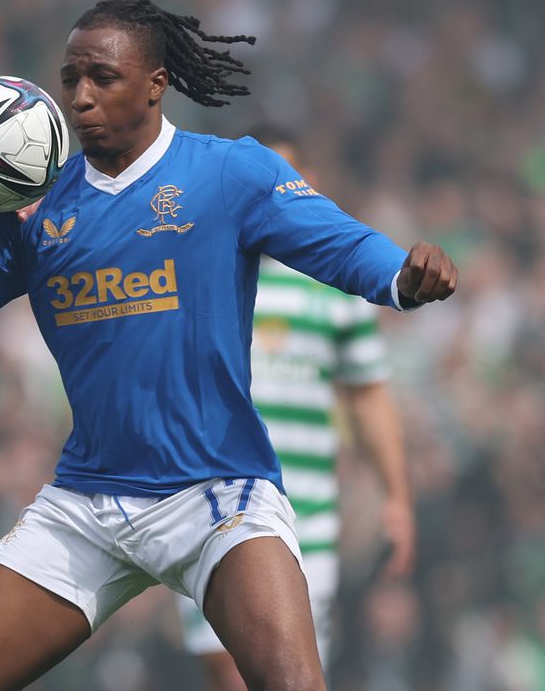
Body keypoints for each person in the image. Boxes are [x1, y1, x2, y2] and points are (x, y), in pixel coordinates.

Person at [0, 0, 457, 691]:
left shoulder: (230, 173)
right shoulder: (30, 204)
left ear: (156, 84)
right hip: (87, 503)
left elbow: (340, 244)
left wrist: (402, 276)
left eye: (102, 77)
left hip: (216, 494)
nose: (80, 97)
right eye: (70, 78)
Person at [174, 124, 416, 691]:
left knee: (286, 675)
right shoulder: (197, 270)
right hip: (208, 505)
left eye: (280, 176)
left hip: (305, 516)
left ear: (305, 183)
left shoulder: (335, 287)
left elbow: (367, 393)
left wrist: (396, 496)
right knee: (227, 670)